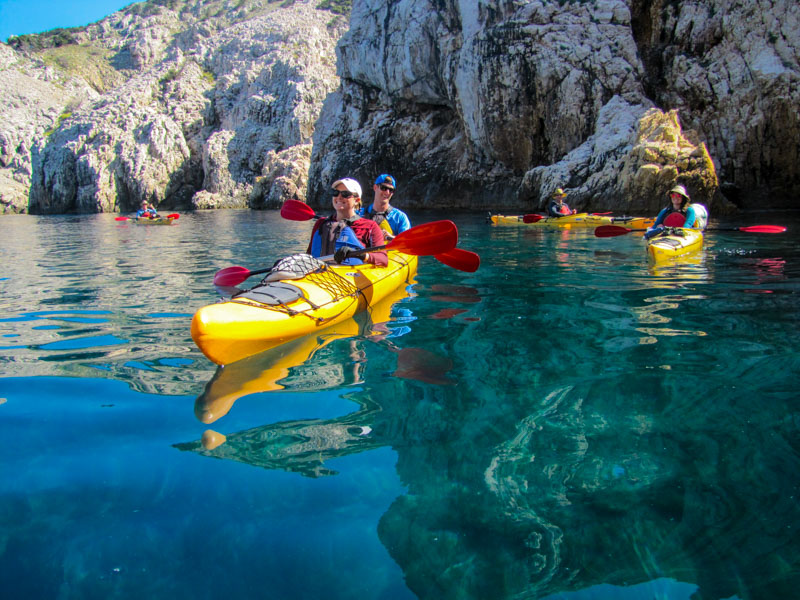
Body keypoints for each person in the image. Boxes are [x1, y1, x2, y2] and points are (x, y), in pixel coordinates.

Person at [306, 178, 388, 266]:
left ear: (356, 200)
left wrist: (360, 254)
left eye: (345, 194)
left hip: (350, 276)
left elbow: (383, 259)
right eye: (336, 193)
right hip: (318, 275)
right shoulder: (321, 223)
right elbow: (308, 255)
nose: (339, 197)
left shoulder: (370, 226)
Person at [359, 174, 411, 241]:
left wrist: (391, 238)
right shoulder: (360, 213)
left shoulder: (400, 217)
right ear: (375, 187)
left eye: (391, 190)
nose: (387, 192)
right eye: (383, 188)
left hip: (389, 250)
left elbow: (407, 242)